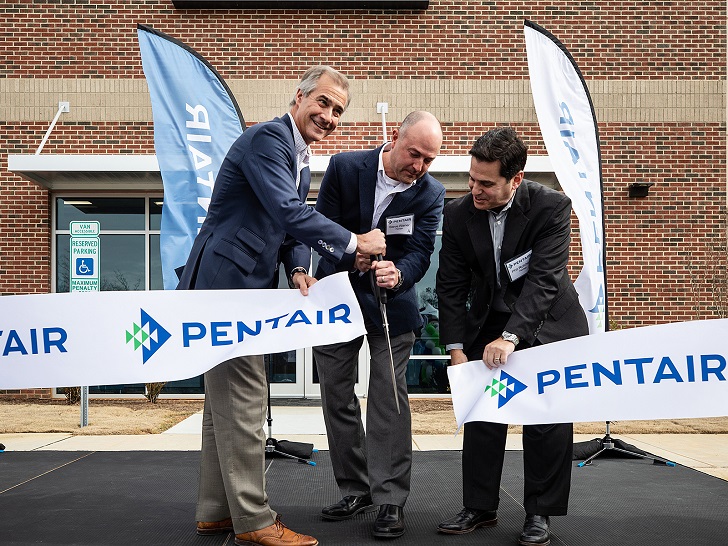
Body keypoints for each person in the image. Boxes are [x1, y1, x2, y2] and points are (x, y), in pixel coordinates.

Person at [176, 65, 386, 546]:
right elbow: (290, 211)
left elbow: (288, 229)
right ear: (300, 97)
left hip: (242, 285)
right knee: (246, 398)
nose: (329, 115)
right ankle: (253, 520)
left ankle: (215, 511)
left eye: (338, 111)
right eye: (324, 103)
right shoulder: (269, 139)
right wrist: (355, 243)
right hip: (226, 286)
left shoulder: (300, 157)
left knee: (221, 405)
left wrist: (295, 267)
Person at [435, 127, 588, 546]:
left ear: (515, 179)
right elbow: (450, 285)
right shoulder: (459, 213)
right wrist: (456, 348)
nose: (474, 190)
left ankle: (540, 513)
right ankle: (480, 507)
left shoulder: (551, 207)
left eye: (486, 183)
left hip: (550, 322)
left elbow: (543, 281)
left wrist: (511, 337)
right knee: (483, 413)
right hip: (491, 318)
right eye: (471, 179)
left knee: (546, 420)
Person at [311, 111, 445, 539]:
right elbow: (319, 229)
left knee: (389, 398)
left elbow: (421, 251)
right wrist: (352, 255)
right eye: (414, 154)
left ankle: (389, 499)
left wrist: (399, 273)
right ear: (394, 137)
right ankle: (356, 489)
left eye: (429, 160)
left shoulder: (431, 193)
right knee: (336, 392)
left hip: (394, 306)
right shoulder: (345, 168)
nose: (419, 167)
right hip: (338, 299)